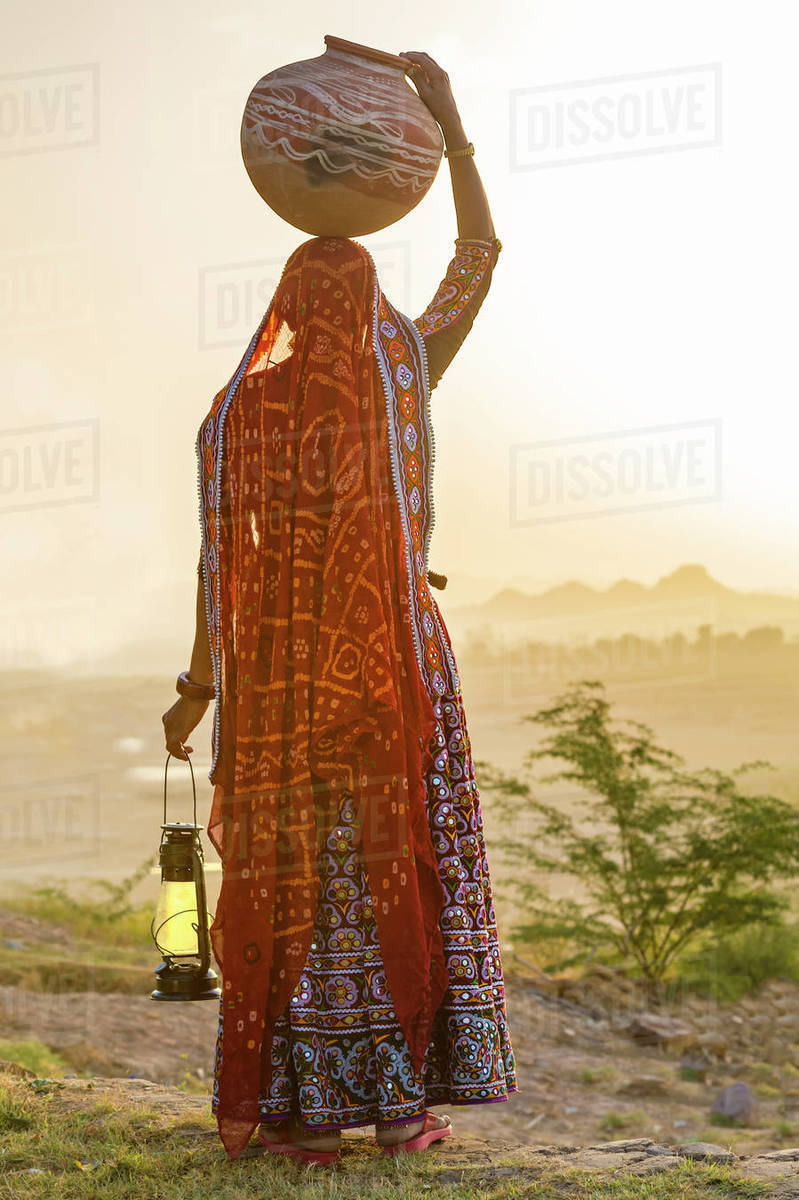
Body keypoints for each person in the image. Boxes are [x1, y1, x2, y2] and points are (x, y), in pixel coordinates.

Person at [162, 50, 516, 1164]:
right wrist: (450, 128)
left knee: (294, 880)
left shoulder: (240, 415)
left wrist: (196, 692)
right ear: (366, 303)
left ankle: (298, 1109)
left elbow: (220, 568)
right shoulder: (400, 362)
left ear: (281, 309)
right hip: (392, 667)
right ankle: (400, 1102)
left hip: (275, 685)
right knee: (390, 864)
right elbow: (478, 255)